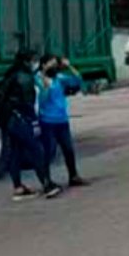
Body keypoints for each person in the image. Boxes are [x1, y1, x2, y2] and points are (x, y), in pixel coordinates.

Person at [0, 50, 62, 200]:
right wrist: (33, 121)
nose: (36, 64)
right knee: (36, 150)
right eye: (34, 60)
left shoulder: (11, 73)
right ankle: (47, 185)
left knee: (15, 152)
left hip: (10, 119)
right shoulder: (25, 77)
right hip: (21, 119)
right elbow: (27, 102)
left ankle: (18, 188)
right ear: (27, 61)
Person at [37, 54, 87, 188]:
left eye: (56, 65)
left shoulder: (59, 78)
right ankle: (46, 181)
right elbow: (41, 101)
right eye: (51, 64)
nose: (55, 67)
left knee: (68, 149)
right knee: (49, 151)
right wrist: (46, 88)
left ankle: (73, 176)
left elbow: (78, 80)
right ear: (43, 65)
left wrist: (69, 66)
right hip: (47, 121)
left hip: (62, 120)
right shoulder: (38, 80)